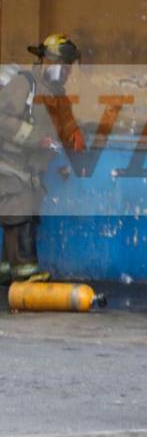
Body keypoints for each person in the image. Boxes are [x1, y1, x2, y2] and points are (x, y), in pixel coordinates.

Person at [0, 34, 84, 285]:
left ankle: (8, 271)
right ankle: (26, 273)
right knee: (19, 214)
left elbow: (67, 128)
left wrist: (75, 141)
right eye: (63, 65)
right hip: (10, 165)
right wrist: (36, 137)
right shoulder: (24, 83)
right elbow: (3, 119)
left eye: (69, 67)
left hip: (31, 170)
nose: (67, 71)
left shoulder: (58, 96)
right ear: (45, 61)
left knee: (25, 215)